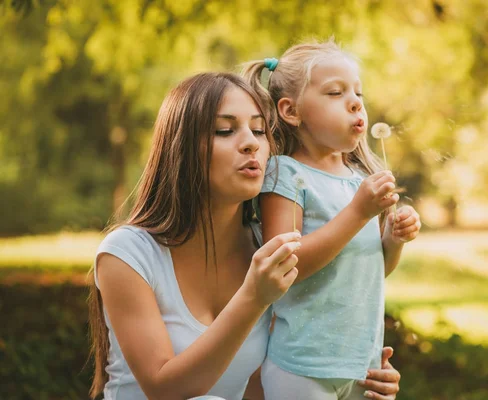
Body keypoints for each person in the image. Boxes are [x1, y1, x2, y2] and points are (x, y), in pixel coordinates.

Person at [88, 72, 401, 400]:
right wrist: (254, 296)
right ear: (179, 147)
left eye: (258, 130)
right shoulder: (128, 254)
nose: (251, 143)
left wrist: (352, 376)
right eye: (225, 130)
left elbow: (263, 386)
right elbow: (164, 389)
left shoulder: (266, 249)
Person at [242, 40, 421, 400]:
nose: (356, 102)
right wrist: (358, 213)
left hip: (362, 364)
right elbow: (286, 267)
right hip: (304, 366)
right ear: (292, 112)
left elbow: (372, 270)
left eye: (358, 93)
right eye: (336, 92)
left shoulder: (357, 181)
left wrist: (392, 239)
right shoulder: (286, 174)